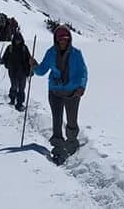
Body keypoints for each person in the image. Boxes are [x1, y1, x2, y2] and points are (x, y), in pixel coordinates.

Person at [31, 25, 88, 155]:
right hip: (55, 91)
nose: (63, 41)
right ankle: (58, 149)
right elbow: (42, 71)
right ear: (56, 40)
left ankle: (72, 145)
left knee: (72, 120)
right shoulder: (51, 53)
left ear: (69, 39)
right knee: (57, 120)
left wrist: (81, 87)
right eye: (60, 39)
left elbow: (83, 72)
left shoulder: (76, 54)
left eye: (65, 39)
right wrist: (34, 66)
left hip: (73, 92)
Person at [0, 33, 33, 111]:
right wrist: (1, 61)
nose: (18, 41)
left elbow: (29, 59)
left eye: (19, 40)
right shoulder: (10, 48)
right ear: (14, 40)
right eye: (16, 40)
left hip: (23, 71)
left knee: (21, 88)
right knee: (14, 86)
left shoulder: (24, 48)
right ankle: (12, 99)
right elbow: (5, 58)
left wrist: (31, 68)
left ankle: (20, 103)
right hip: (13, 71)